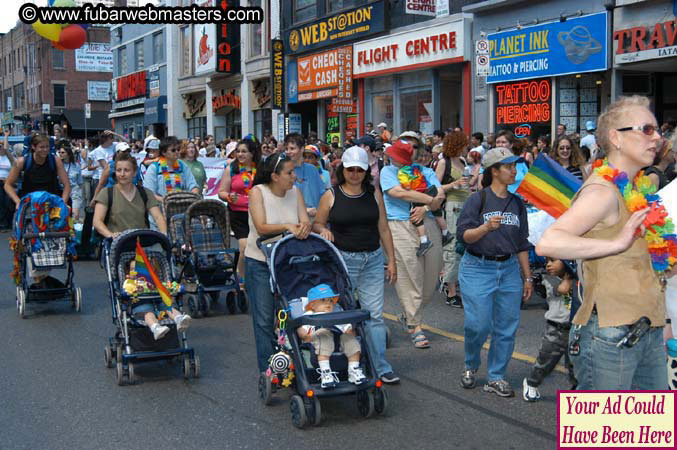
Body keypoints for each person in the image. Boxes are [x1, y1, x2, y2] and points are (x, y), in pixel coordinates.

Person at [536, 96, 669, 390]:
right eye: (646, 129)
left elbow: (647, 267)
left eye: (657, 130)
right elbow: (548, 242)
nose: (658, 138)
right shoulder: (603, 190)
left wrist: (664, 321)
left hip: (647, 329)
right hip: (609, 337)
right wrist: (617, 243)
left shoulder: (638, 189)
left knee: (650, 436)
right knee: (605, 435)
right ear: (615, 138)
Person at [312, 146, 399, 384]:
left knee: (374, 316)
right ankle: (340, 362)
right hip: (343, 260)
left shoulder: (374, 194)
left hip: (372, 258)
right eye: (350, 169)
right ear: (343, 170)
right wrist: (324, 230)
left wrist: (391, 260)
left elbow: (383, 228)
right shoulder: (331, 195)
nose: (354, 174)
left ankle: (381, 367)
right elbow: (317, 223)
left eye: (359, 170)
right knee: (341, 314)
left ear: (365, 171)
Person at [456, 147, 532, 397]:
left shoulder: (517, 203)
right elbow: (464, 236)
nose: (514, 170)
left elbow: (522, 243)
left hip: (509, 269)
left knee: (507, 326)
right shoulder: (477, 200)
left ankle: (496, 376)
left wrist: (527, 276)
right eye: (508, 166)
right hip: (478, 268)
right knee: (477, 325)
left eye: (514, 165)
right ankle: (471, 364)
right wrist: (485, 228)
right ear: (494, 171)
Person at [245, 152, 311, 373]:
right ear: (275, 176)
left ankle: (293, 362)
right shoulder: (258, 192)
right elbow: (262, 226)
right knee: (264, 320)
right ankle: (269, 371)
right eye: (289, 173)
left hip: (288, 262)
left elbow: (304, 222)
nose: (294, 177)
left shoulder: (295, 193)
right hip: (260, 262)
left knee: (291, 315)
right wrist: (288, 226)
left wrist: (302, 227)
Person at [381, 139, 445, 349]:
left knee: (430, 281)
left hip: (426, 223)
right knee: (410, 275)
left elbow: (440, 194)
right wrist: (428, 200)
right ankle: (415, 326)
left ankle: (409, 314)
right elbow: (397, 192)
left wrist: (425, 208)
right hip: (399, 225)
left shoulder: (424, 171)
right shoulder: (387, 172)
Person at [523, 258, 578, 402]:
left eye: (553, 261)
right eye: (547, 261)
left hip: (576, 329)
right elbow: (563, 289)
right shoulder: (549, 279)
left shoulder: (579, 277)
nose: (548, 264)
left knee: (575, 363)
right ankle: (531, 383)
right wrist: (572, 278)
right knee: (546, 361)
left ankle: (577, 387)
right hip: (556, 329)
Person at [297, 284, 367, 388]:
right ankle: (326, 373)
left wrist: (350, 331)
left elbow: (349, 329)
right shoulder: (309, 316)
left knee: (351, 340)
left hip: (339, 344)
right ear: (312, 305)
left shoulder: (337, 314)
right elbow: (301, 331)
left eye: (330, 300)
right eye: (323, 300)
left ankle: (354, 370)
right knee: (323, 334)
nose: (328, 303)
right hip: (319, 346)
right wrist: (305, 335)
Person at [436, 131, 473, 307]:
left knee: (464, 246)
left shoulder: (463, 162)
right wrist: (453, 184)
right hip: (452, 207)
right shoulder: (445, 162)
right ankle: (451, 291)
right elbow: (435, 188)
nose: (467, 146)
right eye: (464, 143)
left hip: (465, 206)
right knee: (452, 247)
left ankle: (456, 284)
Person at [218, 138, 261, 285]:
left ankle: (254, 276)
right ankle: (240, 279)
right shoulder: (231, 169)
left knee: (257, 247)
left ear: (252, 154)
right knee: (244, 246)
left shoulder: (260, 170)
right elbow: (221, 192)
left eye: (244, 151)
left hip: (257, 213)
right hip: (238, 215)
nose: (240, 154)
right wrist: (229, 196)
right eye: (238, 151)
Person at [395, 144, 452, 256]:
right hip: (431, 190)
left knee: (416, 216)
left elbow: (406, 187)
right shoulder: (417, 167)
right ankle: (446, 232)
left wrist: (406, 187)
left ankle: (424, 240)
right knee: (437, 212)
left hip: (420, 194)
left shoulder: (402, 171)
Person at [121, 257, 192, 340]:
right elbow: (125, 290)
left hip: (158, 303)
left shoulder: (153, 280)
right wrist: (133, 289)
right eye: (133, 269)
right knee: (148, 314)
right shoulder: (129, 282)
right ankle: (156, 328)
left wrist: (170, 288)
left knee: (169, 307)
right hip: (141, 305)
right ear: (128, 274)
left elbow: (165, 286)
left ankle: (179, 319)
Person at [5, 134, 70, 207]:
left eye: (47, 146)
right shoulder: (22, 162)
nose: (45, 150)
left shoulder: (55, 161)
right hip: (29, 205)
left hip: (51, 203)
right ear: (33, 147)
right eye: (41, 147)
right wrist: (18, 202)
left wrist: (63, 203)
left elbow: (67, 184)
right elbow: (8, 185)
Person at [143, 136, 199, 203]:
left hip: (181, 208)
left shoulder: (182, 165)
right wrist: (166, 201)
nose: (177, 152)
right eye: (173, 150)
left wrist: (193, 195)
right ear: (164, 152)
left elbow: (193, 185)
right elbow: (149, 193)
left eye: (178, 149)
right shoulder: (154, 168)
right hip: (161, 209)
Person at [284, 133, 326, 218]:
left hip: (315, 220)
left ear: (302, 149)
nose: (288, 152)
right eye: (286, 149)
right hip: (293, 220)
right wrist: (305, 211)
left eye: (292, 148)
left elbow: (322, 194)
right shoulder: (283, 171)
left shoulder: (312, 169)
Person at [57, 143, 83, 222]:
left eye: (62, 152)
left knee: (75, 215)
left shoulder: (76, 165)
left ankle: (74, 231)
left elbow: (80, 181)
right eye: (59, 152)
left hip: (74, 190)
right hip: (62, 191)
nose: (60, 154)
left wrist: (79, 194)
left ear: (68, 154)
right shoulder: (58, 165)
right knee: (62, 214)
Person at [0, 129, 16, 231]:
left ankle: (9, 222)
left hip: (8, 183)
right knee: (1, 203)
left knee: (8, 203)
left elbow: (6, 149)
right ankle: (2, 223)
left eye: (1, 146)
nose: (0, 148)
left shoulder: (9, 158)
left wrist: (6, 136)